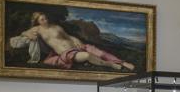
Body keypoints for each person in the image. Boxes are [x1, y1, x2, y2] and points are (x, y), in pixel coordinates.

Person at [7, 11, 136, 71]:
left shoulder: (56, 26)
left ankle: (123, 62)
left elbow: (68, 36)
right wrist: (28, 35)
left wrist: (76, 40)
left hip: (75, 45)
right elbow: (24, 34)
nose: (45, 20)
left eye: (45, 18)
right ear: (37, 22)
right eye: (42, 19)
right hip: (66, 53)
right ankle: (110, 65)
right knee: (87, 56)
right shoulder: (37, 29)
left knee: (98, 51)